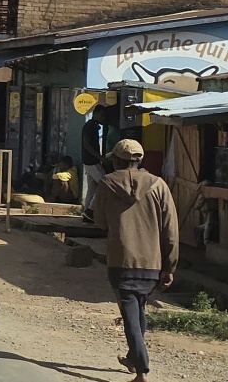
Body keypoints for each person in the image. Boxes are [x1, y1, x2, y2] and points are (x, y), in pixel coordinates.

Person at [93, 139, 178, 382]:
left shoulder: (106, 184)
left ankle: (141, 370)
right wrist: (169, 266)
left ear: (116, 161)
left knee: (130, 313)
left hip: (121, 259)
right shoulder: (159, 185)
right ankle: (133, 358)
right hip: (152, 262)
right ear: (139, 160)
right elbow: (170, 230)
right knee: (138, 308)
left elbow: (100, 221)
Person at [82, 104, 114, 222]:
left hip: (89, 161)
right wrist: (100, 158)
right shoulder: (90, 126)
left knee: (92, 187)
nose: (103, 118)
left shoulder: (93, 126)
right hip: (92, 162)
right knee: (105, 184)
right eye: (101, 115)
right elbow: (86, 144)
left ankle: (87, 213)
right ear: (95, 114)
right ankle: (90, 211)